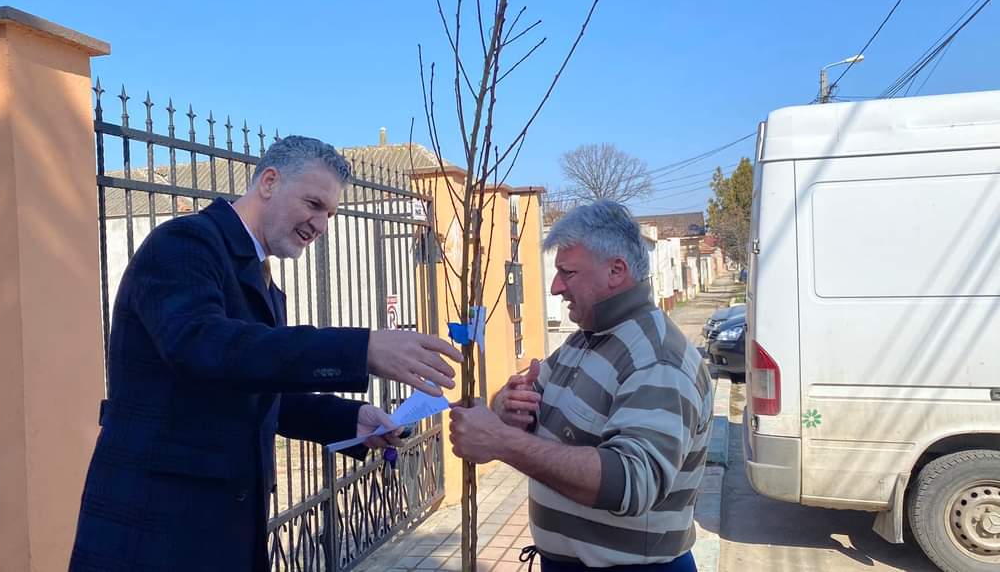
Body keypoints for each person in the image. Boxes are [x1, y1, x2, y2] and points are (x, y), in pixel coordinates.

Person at [70, 135, 461, 572]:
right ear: (269, 182)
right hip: (152, 533)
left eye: (330, 213)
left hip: (220, 535)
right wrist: (360, 348)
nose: (321, 225)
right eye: (314, 204)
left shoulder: (264, 283)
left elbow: (256, 390)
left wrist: (349, 419)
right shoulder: (183, 244)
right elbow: (203, 347)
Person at [450, 200, 713, 572]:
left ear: (616, 271)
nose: (556, 287)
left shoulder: (657, 358)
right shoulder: (586, 339)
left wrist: (502, 441)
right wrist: (507, 407)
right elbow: (529, 408)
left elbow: (630, 481)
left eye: (567, 272)